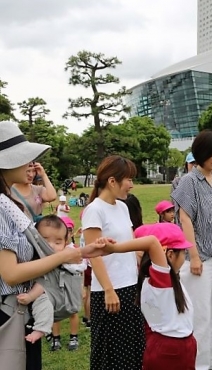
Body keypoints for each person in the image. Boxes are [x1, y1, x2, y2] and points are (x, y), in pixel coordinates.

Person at [0, 121, 107, 370]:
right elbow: (11, 274)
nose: (31, 164)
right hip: (8, 313)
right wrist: (65, 256)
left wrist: (78, 253)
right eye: (25, 157)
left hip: (19, 312)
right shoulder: (2, 208)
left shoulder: (8, 202)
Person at [171, 130, 212, 370]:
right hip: (199, 259)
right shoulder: (189, 181)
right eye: (211, 153)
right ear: (199, 154)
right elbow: (185, 219)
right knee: (200, 315)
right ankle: (199, 365)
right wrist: (195, 256)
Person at [97, 223, 197, 370]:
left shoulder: (152, 280)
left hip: (169, 344)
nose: (184, 257)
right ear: (169, 254)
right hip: (172, 349)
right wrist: (113, 249)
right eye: (183, 252)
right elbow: (151, 242)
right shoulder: (162, 280)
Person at [81, 155, 145, 370]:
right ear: (112, 181)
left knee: (132, 348)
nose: (131, 185)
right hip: (110, 291)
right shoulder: (94, 210)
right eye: (128, 179)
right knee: (110, 352)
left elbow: (129, 243)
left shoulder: (123, 207)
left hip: (130, 286)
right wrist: (108, 289)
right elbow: (94, 254)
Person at [23, 216, 86, 351]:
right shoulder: (33, 254)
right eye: (45, 241)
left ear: (65, 242)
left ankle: (70, 335)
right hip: (48, 297)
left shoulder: (68, 254)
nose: (51, 246)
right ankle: (42, 328)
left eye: (58, 242)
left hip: (65, 297)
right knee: (43, 301)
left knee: (41, 294)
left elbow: (80, 264)